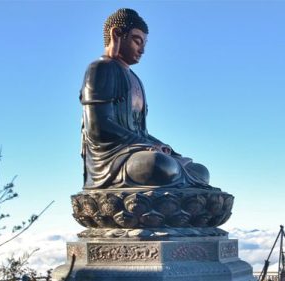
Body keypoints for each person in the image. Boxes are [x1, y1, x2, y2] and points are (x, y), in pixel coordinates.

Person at [80, 8, 210, 190]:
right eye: (137, 41)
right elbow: (98, 127)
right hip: (112, 158)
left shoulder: (136, 80)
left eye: (144, 44)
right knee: (158, 164)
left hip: (137, 150)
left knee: (199, 171)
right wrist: (149, 146)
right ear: (117, 34)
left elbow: (141, 131)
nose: (142, 50)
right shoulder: (100, 68)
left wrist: (163, 146)